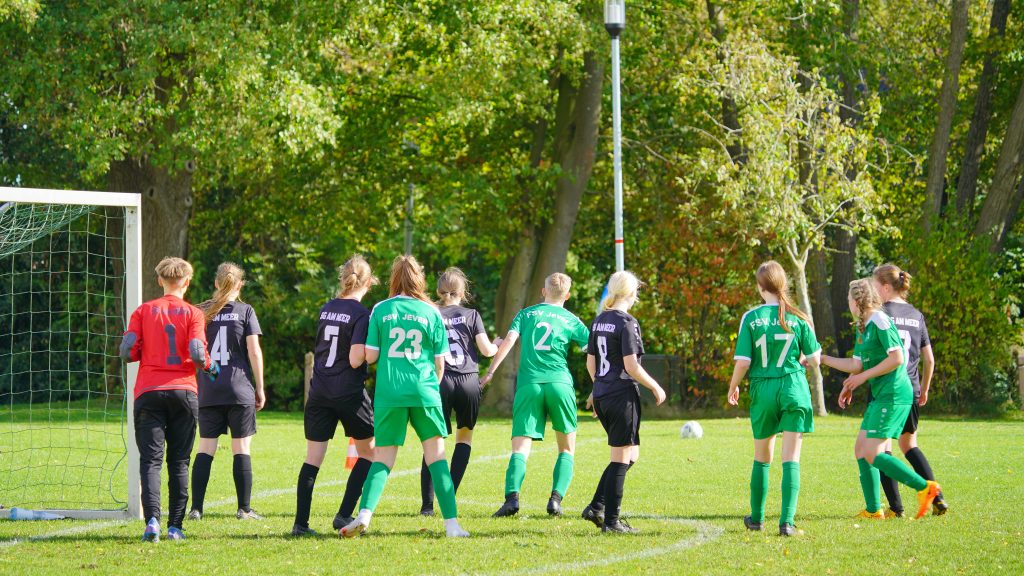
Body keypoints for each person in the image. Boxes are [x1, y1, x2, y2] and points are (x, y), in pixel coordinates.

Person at [340, 255, 469, 538]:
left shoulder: (381, 309)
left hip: (390, 392)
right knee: (436, 458)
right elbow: (440, 363)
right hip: (424, 391)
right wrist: (430, 388)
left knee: (382, 458)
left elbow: (370, 356)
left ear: (393, 278)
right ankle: (452, 525)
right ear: (419, 278)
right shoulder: (432, 311)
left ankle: (364, 515)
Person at [819, 279, 941, 520]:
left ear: (857, 301)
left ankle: (926, 488)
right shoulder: (863, 326)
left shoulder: (879, 319)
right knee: (861, 449)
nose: (848, 304)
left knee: (874, 453)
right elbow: (856, 364)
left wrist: (862, 378)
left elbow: (897, 358)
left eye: (848, 300)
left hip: (894, 394)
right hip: (882, 395)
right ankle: (874, 509)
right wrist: (823, 360)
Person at [119, 257, 217, 542]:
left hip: (149, 391)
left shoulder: (143, 311)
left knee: (150, 461)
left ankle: (152, 522)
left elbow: (127, 352)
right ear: (187, 282)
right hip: (183, 392)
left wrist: (145, 352)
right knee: (179, 462)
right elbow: (197, 353)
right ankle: (175, 527)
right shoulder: (193, 314)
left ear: (160, 280)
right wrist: (211, 367)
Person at [483, 272, 590, 518]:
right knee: (566, 449)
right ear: (568, 295)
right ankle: (555, 500)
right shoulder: (571, 320)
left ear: (543, 292)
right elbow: (593, 351)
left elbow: (508, 342)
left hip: (529, 385)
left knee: (520, 447)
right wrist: (598, 385)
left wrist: (490, 372)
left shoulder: (526, 314)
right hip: (560, 384)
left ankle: (511, 499)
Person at [726, 261, 820, 537]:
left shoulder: (751, 317)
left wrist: (733, 386)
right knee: (791, 458)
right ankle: (787, 523)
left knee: (762, 457)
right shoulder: (799, 317)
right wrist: (799, 359)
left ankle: (756, 519)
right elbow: (815, 360)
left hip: (763, 388)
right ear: (784, 284)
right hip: (793, 387)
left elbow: (743, 362)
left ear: (760, 286)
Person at [292, 255, 378, 536]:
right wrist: (375, 351)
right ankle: (343, 514)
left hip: (319, 390)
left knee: (312, 459)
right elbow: (355, 359)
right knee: (370, 453)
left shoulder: (326, 308)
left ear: (344, 279)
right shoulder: (362, 314)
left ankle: (300, 524)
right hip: (348, 391)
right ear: (368, 282)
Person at [580, 271, 666, 534]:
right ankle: (611, 522)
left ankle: (596, 506)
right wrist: (655, 386)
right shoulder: (627, 322)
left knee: (631, 454)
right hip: (621, 394)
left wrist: (598, 388)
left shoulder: (599, 320)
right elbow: (631, 366)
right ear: (631, 293)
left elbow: (591, 363)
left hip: (603, 394)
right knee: (620, 458)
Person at [418, 267, 500, 516]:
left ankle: (427, 506)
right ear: (463, 292)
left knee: (433, 442)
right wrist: (497, 345)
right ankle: (448, 498)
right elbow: (486, 351)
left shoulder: (431, 313)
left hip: (440, 380)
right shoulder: (471, 314)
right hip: (468, 381)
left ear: (438, 292)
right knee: (464, 438)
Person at [188, 263, 266, 522]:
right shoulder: (246, 311)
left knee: (205, 448)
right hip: (238, 388)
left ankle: (196, 509)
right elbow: (254, 351)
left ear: (216, 283)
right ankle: (244, 509)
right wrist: (260, 387)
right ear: (240, 285)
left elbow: (192, 349)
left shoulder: (201, 311)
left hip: (209, 388)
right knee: (241, 447)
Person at [872, 264, 947, 516]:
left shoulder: (880, 314)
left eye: (874, 285)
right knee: (909, 444)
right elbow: (929, 359)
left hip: (888, 390)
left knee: (883, 448)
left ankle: (896, 508)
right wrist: (924, 389)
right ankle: (937, 497)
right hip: (912, 390)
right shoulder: (916, 314)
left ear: (885, 287)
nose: (872, 290)